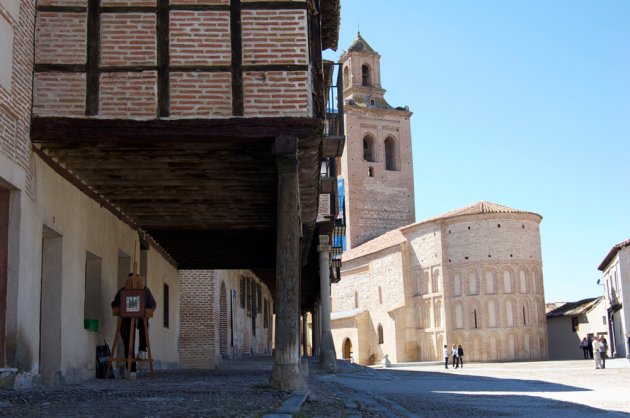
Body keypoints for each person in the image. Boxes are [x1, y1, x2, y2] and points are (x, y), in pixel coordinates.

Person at [111, 273, 157, 377]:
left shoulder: (145, 290)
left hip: (141, 318)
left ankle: (142, 350)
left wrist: (144, 313)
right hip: (126, 319)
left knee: (143, 325)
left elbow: (152, 305)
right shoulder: (123, 291)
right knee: (128, 340)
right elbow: (115, 305)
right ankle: (131, 369)